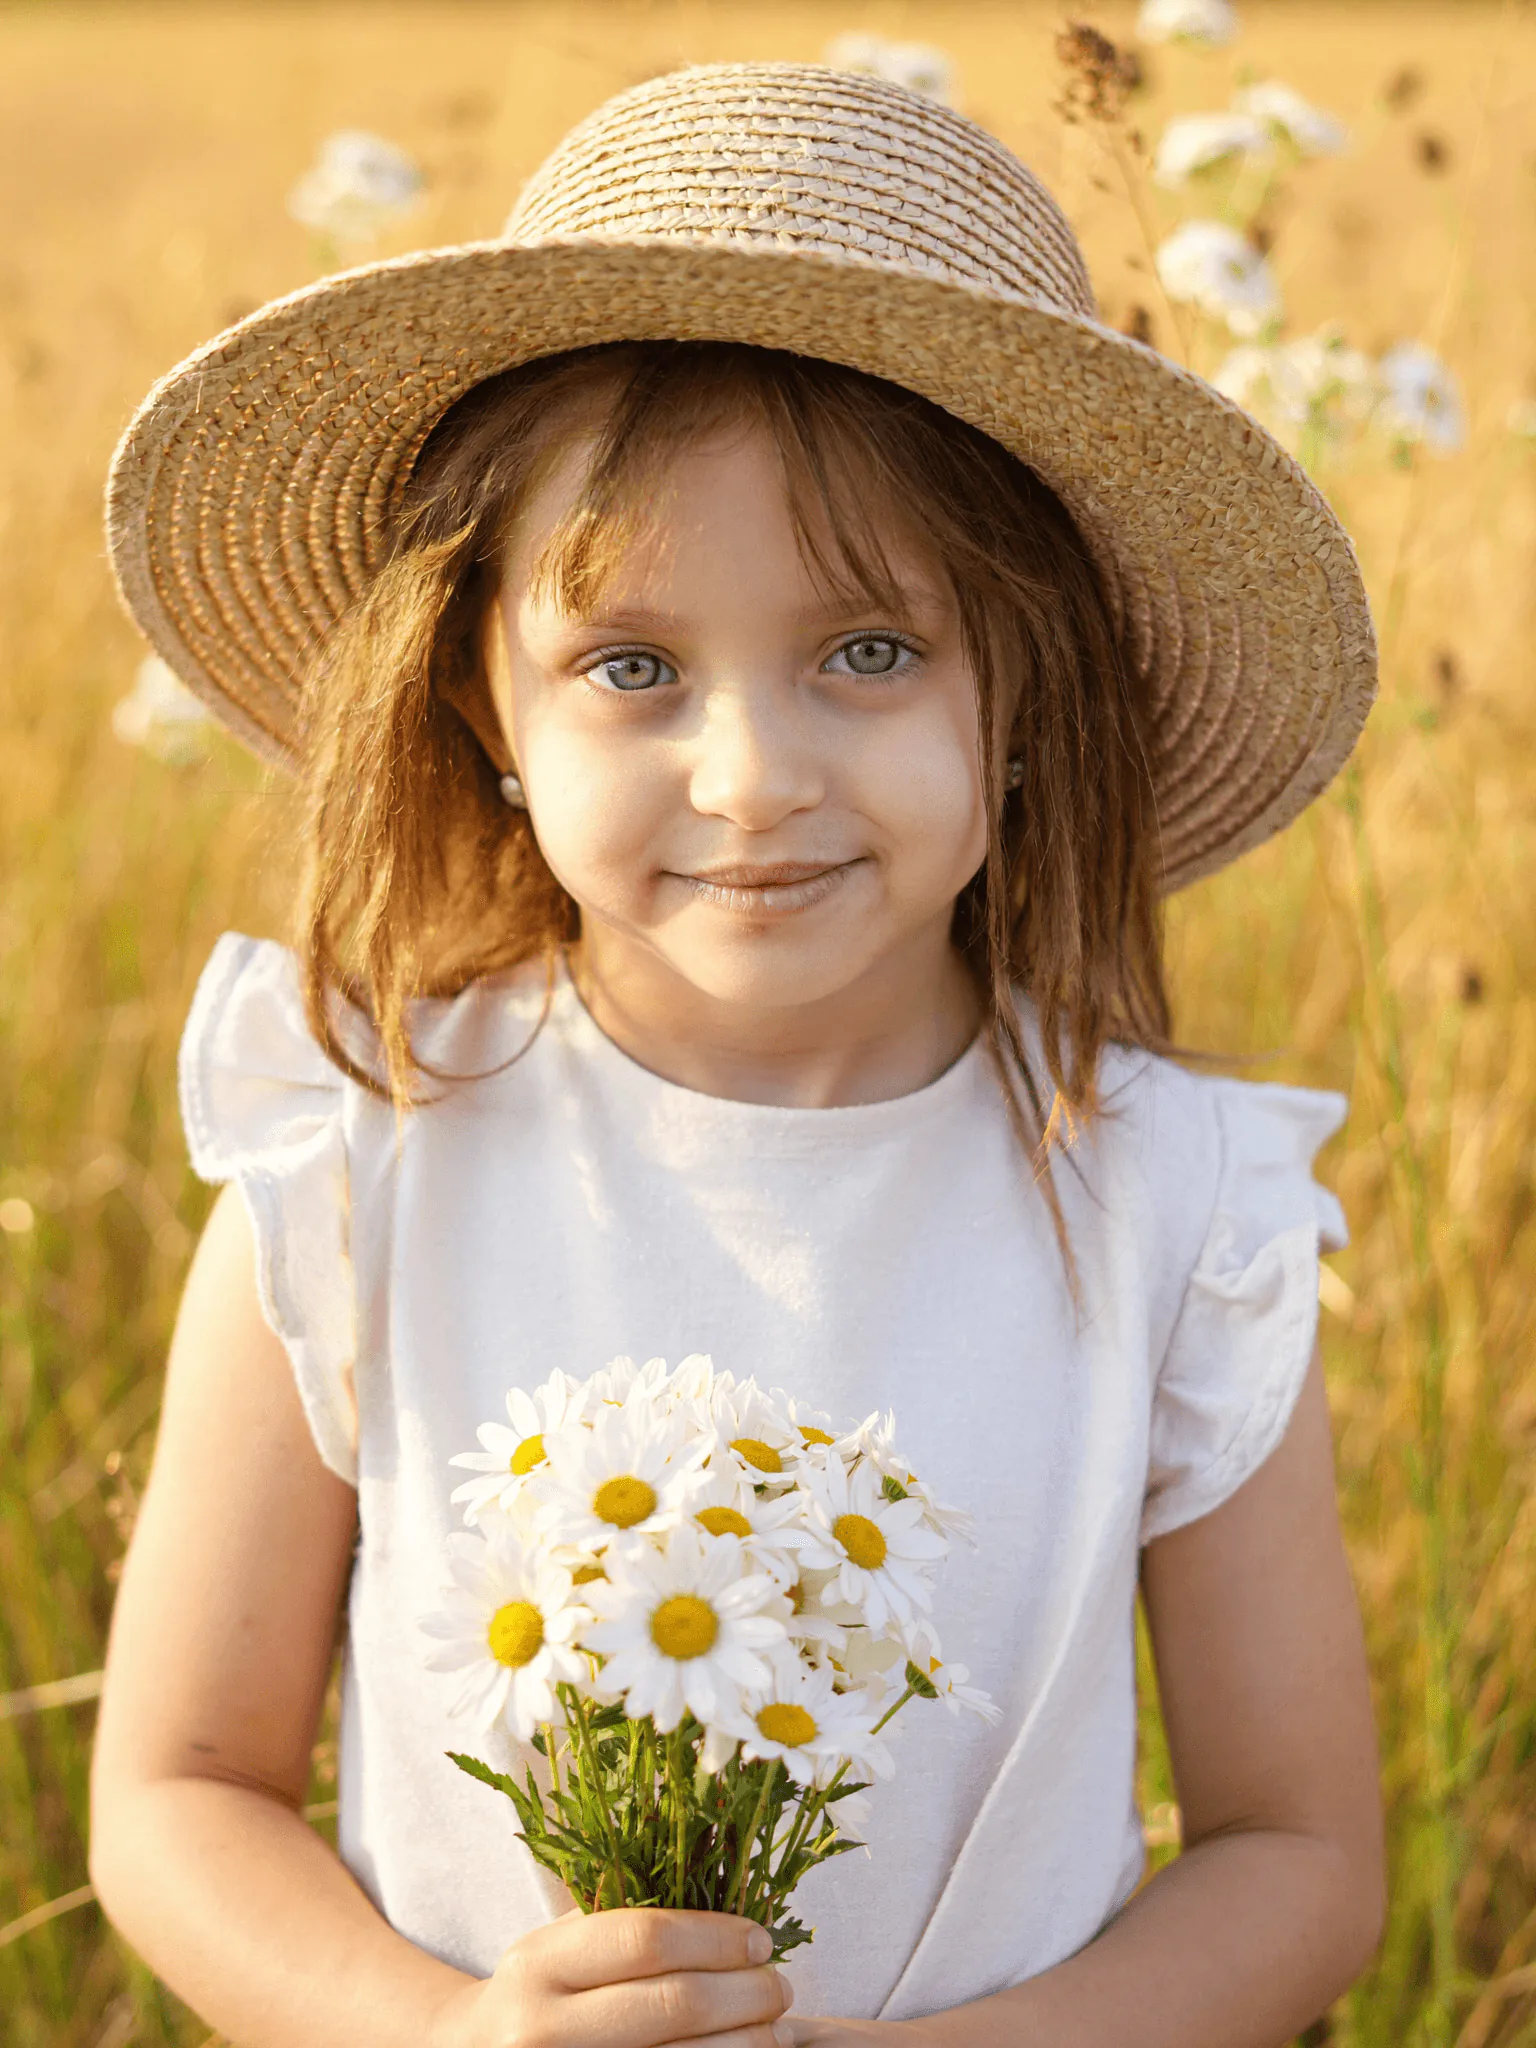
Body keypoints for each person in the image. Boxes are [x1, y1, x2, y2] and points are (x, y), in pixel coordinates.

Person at [89, 61, 1384, 2048]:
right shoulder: (358, 1151)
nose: (754, 775)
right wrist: (438, 2030)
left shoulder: (1172, 1208)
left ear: (1023, 690)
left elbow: (1297, 1848)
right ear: (485, 710)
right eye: (632, 666)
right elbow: (174, 1791)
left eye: (871, 651)